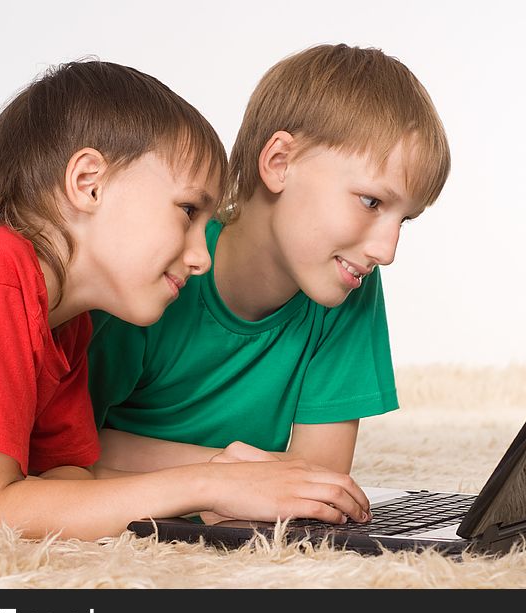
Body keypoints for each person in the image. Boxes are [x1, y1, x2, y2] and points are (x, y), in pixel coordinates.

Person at [0, 60, 370, 541]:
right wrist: (209, 483)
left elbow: (68, 480)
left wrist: (15, 500)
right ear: (89, 183)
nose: (202, 258)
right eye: (188, 210)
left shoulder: (68, 326)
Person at [87, 44, 451, 478]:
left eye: (404, 220)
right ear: (280, 162)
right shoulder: (160, 266)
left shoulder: (349, 284)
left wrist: (235, 476)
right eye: (371, 202)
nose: (386, 252)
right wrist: (225, 476)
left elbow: (321, 472)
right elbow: (63, 447)